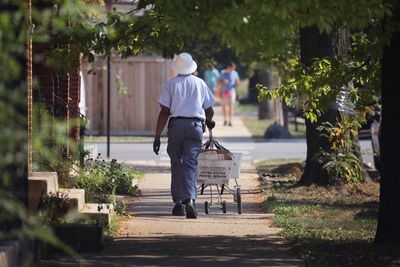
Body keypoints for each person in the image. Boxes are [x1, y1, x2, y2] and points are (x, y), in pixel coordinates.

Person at [153, 52, 216, 219]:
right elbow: (209, 110)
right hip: (195, 126)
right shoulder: (200, 83)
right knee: (190, 164)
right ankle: (190, 199)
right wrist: (209, 122)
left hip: (176, 127)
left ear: (177, 68)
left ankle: (179, 204)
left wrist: (157, 136)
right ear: (192, 66)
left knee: (176, 164)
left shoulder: (171, 84)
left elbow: (164, 112)